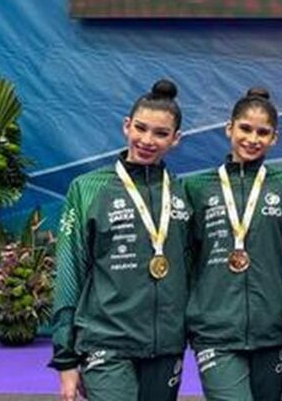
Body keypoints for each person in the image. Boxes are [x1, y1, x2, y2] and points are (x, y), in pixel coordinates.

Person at [49, 79, 190, 401]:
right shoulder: (87, 188)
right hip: (105, 342)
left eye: (161, 133)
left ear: (175, 139)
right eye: (140, 128)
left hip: (166, 345)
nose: (147, 140)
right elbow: (70, 274)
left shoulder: (182, 192)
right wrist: (65, 359)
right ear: (126, 125)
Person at [184, 87, 282, 400]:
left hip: (271, 329)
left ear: (274, 138)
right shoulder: (197, 188)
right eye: (245, 129)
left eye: (263, 132)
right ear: (229, 128)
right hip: (214, 330)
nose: (252, 139)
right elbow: (185, 256)